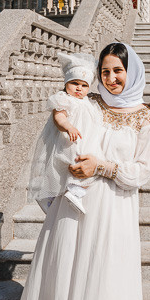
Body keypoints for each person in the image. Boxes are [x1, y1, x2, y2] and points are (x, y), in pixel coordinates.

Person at [10, 41, 150, 300]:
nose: (111, 79)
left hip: (115, 212)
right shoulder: (88, 104)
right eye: (106, 71)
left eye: (118, 71)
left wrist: (103, 167)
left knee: (112, 292)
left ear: (133, 72)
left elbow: (140, 172)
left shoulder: (145, 119)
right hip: (75, 208)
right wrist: (70, 155)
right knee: (73, 289)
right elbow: (58, 131)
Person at [28, 51, 99, 215]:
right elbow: (58, 117)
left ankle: (61, 195)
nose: (79, 88)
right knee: (69, 164)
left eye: (84, 85)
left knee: (85, 161)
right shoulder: (63, 99)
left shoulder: (88, 103)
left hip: (83, 138)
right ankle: (71, 192)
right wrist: (68, 127)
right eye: (75, 83)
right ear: (66, 82)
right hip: (68, 140)